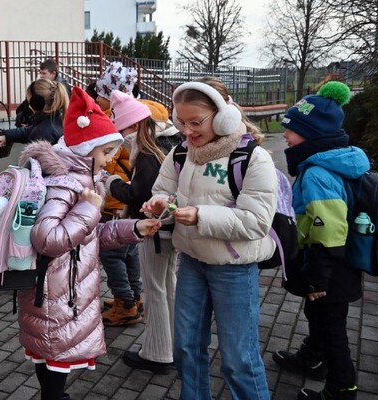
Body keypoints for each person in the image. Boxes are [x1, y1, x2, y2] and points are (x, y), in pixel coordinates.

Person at [17, 87, 160, 400]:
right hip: (55, 294)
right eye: (105, 151)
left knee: (51, 360)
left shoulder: (82, 181)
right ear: (86, 149)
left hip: (60, 292)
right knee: (54, 363)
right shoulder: (65, 184)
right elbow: (48, 238)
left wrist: (134, 227)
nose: (109, 159)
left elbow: (93, 235)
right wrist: (90, 207)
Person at [141, 77, 277, 400]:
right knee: (186, 348)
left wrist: (200, 216)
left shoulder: (254, 159)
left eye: (195, 122)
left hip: (234, 269)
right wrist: (161, 203)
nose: (187, 132)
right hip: (192, 262)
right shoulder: (181, 153)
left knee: (238, 360)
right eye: (181, 122)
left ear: (222, 116)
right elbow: (164, 190)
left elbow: (256, 221)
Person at [272, 81, 364, 400]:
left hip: (330, 269)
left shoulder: (317, 175)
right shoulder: (327, 163)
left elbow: (328, 231)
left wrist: (318, 279)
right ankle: (312, 358)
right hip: (335, 266)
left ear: (312, 136)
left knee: (332, 328)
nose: (285, 135)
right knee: (320, 317)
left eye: (291, 130)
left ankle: (342, 388)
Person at [104, 91, 183, 374]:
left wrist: (111, 182)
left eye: (123, 128)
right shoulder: (173, 141)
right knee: (168, 287)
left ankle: (157, 353)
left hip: (153, 230)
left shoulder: (149, 154)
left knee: (155, 290)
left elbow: (139, 195)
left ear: (136, 126)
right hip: (171, 228)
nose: (122, 135)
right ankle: (174, 345)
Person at [94, 62, 144, 327]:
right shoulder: (133, 118)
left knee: (113, 256)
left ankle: (125, 303)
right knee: (130, 253)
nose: (96, 97)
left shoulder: (116, 125)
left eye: (101, 93)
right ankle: (134, 297)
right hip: (125, 205)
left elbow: (108, 162)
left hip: (114, 203)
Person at [0, 79, 68, 148]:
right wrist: (7, 136)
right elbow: (30, 131)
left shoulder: (42, 133)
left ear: (36, 103)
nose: (28, 104)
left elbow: (34, 162)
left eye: (29, 100)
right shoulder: (57, 119)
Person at [15, 59, 71, 128]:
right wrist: (21, 112)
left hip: (49, 126)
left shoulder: (62, 89)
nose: (41, 76)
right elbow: (29, 101)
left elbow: (49, 112)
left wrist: (31, 126)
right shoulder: (42, 85)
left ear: (53, 73)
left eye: (44, 73)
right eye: (40, 73)